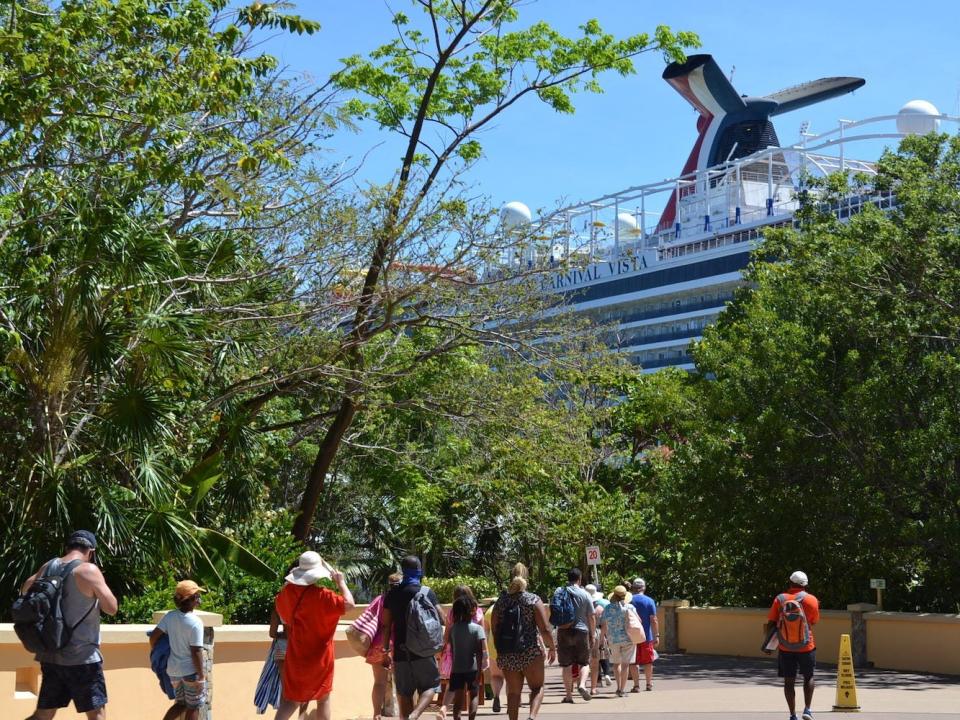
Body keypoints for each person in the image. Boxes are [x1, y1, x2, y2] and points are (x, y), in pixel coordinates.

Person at [20, 530, 118, 720]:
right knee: (97, 714)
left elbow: (26, 589)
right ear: (91, 551)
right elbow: (112, 608)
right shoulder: (88, 570)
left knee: (43, 715)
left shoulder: (49, 566)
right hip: (83, 657)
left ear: (67, 547)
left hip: (51, 655)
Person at [274, 551, 355, 720]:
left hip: (296, 656)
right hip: (320, 658)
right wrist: (341, 582)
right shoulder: (323, 596)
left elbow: (282, 611)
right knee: (323, 698)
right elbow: (349, 604)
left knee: (291, 701)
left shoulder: (287, 594)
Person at [379, 555, 444, 720]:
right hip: (423, 651)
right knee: (431, 687)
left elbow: (385, 624)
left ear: (402, 571)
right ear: (419, 571)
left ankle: (410, 715)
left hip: (401, 652)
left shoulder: (392, 594)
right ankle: (415, 714)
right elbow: (443, 618)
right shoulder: (426, 592)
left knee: (405, 693)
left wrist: (385, 649)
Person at [490, 569, 556, 720]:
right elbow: (545, 629)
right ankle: (532, 717)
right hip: (530, 651)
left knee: (513, 693)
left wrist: (500, 651)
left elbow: (495, 629)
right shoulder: (533, 600)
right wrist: (552, 647)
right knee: (537, 687)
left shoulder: (501, 602)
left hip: (508, 653)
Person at [764, 571, 820, 720]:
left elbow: (771, 623)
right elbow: (813, 621)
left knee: (789, 681)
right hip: (806, 645)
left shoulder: (780, 599)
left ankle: (792, 714)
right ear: (805, 585)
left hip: (785, 647)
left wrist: (769, 645)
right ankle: (807, 710)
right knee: (808, 677)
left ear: (790, 583)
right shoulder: (812, 600)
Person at [149, 581, 207, 720]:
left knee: (181, 704)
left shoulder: (169, 616)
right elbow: (196, 651)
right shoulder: (196, 622)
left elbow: (154, 637)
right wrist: (201, 676)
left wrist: (156, 650)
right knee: (194, 706)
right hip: (190, 671)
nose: (199, 597)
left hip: (174, 671)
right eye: (197, 595)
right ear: (192, 598)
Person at [438, 586, 485, 720]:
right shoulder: (477, 629)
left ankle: (456, 717)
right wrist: (479, 670)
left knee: (458, 699)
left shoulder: (453, 629)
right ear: (473, 611)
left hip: (456, 669)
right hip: (473, 668)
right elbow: (479, 652)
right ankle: (471, 717)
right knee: (474, 694)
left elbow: (452, 649)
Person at [267, 564, 308, 717]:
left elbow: (272, 633)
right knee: (305, 689)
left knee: (287, 693)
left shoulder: (279, 602)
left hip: (281, 649)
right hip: (299, 649)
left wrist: (283, 634)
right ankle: (302, 717)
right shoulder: (305, 602)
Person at [554, 568, 595, 703]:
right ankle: (582, 685)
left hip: (564, 630)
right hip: (581, 631)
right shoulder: (585, 594)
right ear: (580, 578)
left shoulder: (559, 591)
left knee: (566, 665)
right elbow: (591, 617)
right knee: (584, 662)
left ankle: (568, 696)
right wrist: (592, 635)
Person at [366, 573, 402, 720]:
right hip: (398, 643)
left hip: (378, 643)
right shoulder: (402, 600)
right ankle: (404, 715)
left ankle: (376, 714)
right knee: (401, 683)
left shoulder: (379, 600)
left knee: (379, 682)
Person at [601, 586, 636, 696]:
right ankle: (622, 690)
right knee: (625, 665)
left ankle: (617, 687)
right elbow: (638, 621)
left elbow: (604, 625)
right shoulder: (630, 607)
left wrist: (602, 638)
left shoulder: (607, 608)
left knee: (616, 664)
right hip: (628, 639)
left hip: (613, 639)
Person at [628, 578, 659, 692]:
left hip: (632, 636)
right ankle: (649, 684)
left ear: (633, 588)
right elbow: (654, 619)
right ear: (644, 588)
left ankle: (636, 685)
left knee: (633, 661)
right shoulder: (649, 601)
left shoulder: (629, 600)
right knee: (648, 661)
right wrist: (657, 635)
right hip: (647, 636)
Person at [483, 600, 504, 713]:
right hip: (510, 648)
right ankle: (514, 702)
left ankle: (496, 696)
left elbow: (485, 632)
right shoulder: (510, 607)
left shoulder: (489, 611)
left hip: (493, 647)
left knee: (496, 676)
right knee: (512, 678)